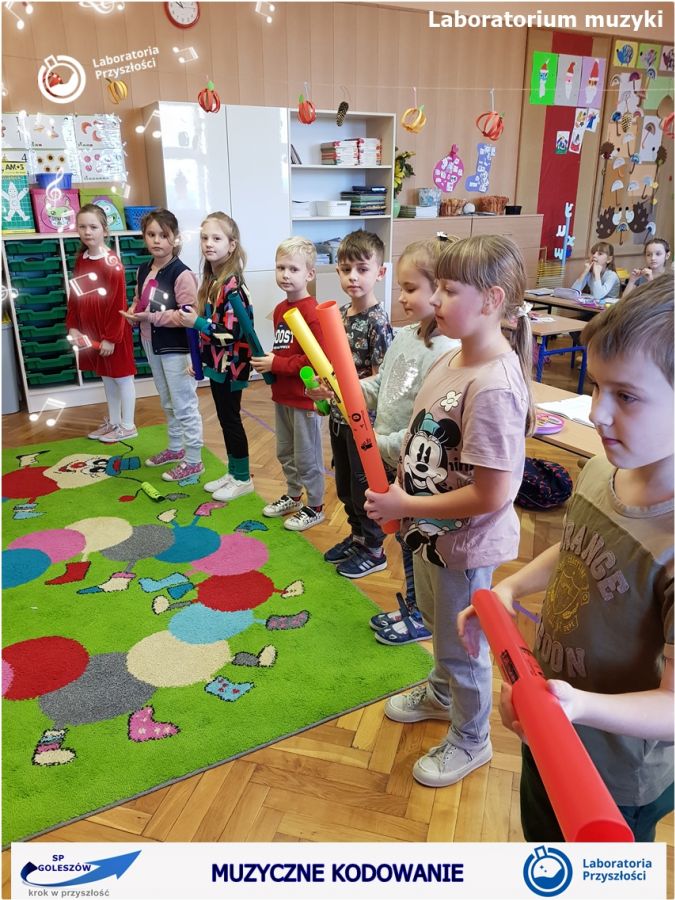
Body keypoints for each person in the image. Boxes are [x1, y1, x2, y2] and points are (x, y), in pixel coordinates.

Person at [459, 274, 674, 842]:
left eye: (626, 396)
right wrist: (509, 589)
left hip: (613, 777)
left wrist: (576, 707)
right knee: (543, 848)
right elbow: (577, 543)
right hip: (550, 722)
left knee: (597, 874)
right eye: (597, 387)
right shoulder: (606, 466)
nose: (598, 413)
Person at [364, 234, 534, 787]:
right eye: (436, 287)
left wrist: (406, 502)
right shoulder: (452, 358)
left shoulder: (494, 386)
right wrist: (400, 496)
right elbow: (425, 440)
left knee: (463, 647)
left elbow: (492, 494)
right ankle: (441, 695)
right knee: (439, 629)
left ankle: (471, 737)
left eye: (450, 290)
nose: (435, 300)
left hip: (465, 546)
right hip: (430, 535)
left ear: (492, 299)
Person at [361, 238, 459, 645]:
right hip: (390, 458)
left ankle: (421, 614)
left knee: (417, 540)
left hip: (415, 464)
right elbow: (381, 386)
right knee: (404, 537)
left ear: (439, 289)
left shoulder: (446, 351)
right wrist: (344, 390)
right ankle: (415, 607)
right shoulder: (403, 337)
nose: (401, 297)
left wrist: (378, 442)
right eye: (400, 288)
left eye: (410, 288)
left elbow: (427, 428)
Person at [321, 230, 393, 578]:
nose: (353, 277)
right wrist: (325, 387)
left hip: (364, 424)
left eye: (362, 269)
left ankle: (375, 549)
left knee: (365, 488)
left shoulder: (377, 322)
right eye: (346, 269)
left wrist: (346, 391)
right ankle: (357, 538)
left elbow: (381, 381)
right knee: (346, 486)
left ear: (380, 272)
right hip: (338, 417)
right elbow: (332, 366)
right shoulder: (339, 315)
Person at [121, 208, 204, 481]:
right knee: (167, 401)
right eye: (151, 234)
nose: (157, 240)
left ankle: (194, 460)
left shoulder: (182, 274)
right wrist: (134, 312)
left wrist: (151, 317)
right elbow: (139, 300)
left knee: (184, 404)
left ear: (175, 238)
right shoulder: (143, 269)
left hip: (176, 348)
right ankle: (176, 448)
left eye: (164, 235)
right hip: (151, 343)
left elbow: (188, 315)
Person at [250, 237, 326, 531]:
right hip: (282, 395)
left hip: (304, 398)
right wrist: (271, 360)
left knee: (307, 456)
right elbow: (286, 349)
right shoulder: (281, 309)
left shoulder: (312, 311)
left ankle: (316, 505)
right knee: (285, 452)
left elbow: (315, 360)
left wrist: (276, 364)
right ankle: (294, 496)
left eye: (293, 269)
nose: (285, 274)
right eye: (280, 267)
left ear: (310, 274)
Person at [178, 212, 253, 502]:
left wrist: (196, 323)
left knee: (231, 419)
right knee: (224, 419)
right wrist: (200, 359)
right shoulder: (213, 281)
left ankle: (243, 478)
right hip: (219, 364)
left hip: (232, 366)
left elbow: (230, 334)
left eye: (217, 238)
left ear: (231, 245)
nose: (209, 243)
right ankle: (234, 472)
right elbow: (212, 329)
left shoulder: (232, 286)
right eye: (205, 238)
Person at [66, 203, 137, 443]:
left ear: (105, 230)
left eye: (93, 227)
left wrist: (110, 338)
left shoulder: (112, 263)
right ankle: (114, 422)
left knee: (122, 377)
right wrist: (73, 325)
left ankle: (128, 425)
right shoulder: (82, 260)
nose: (87, 232)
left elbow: (118, 303)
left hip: (112, 333)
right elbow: (75, 295)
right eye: (82, 227)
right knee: (107, 377)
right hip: (92, 331)